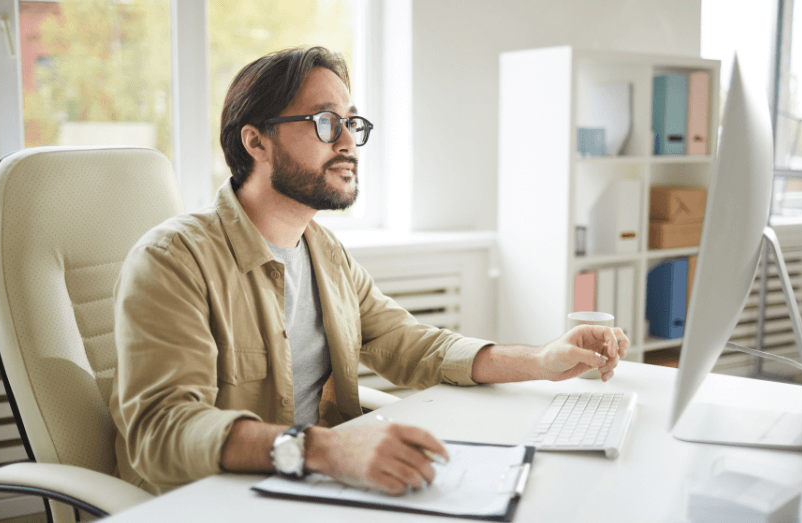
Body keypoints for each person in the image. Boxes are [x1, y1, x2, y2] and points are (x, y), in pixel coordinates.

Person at [110, 46, 628, 497]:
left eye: (351, 123)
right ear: (256, 142)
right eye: (323, 121)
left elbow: (415, 345)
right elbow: (162, 430)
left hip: (310, 486)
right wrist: (327, 451)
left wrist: (542, 358)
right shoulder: (174, 260)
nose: (347, 143)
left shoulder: (325, 252)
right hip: (212, 499)